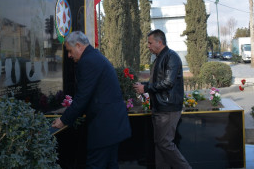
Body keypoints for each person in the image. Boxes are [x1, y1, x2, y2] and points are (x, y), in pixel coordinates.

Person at [52, 31, 131, 168]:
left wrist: (63, 120)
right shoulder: (94, 56)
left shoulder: (87, 61)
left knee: (96, 165)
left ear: (78, 46)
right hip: (112, 125)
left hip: (104, 128)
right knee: (110, 164)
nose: (69, 55)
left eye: (70, 51)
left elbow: (83, 97)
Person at [133, 29, 191, 169]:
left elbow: (168, 83)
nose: (148, 46)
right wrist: (144, 85)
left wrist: (145, 88)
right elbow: (158, 82)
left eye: (150, 43)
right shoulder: (160, 57)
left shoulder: (171, 57)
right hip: (160, 107)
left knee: (164, 144)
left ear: (159, 42)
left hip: (168, 109)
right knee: (160, 144)